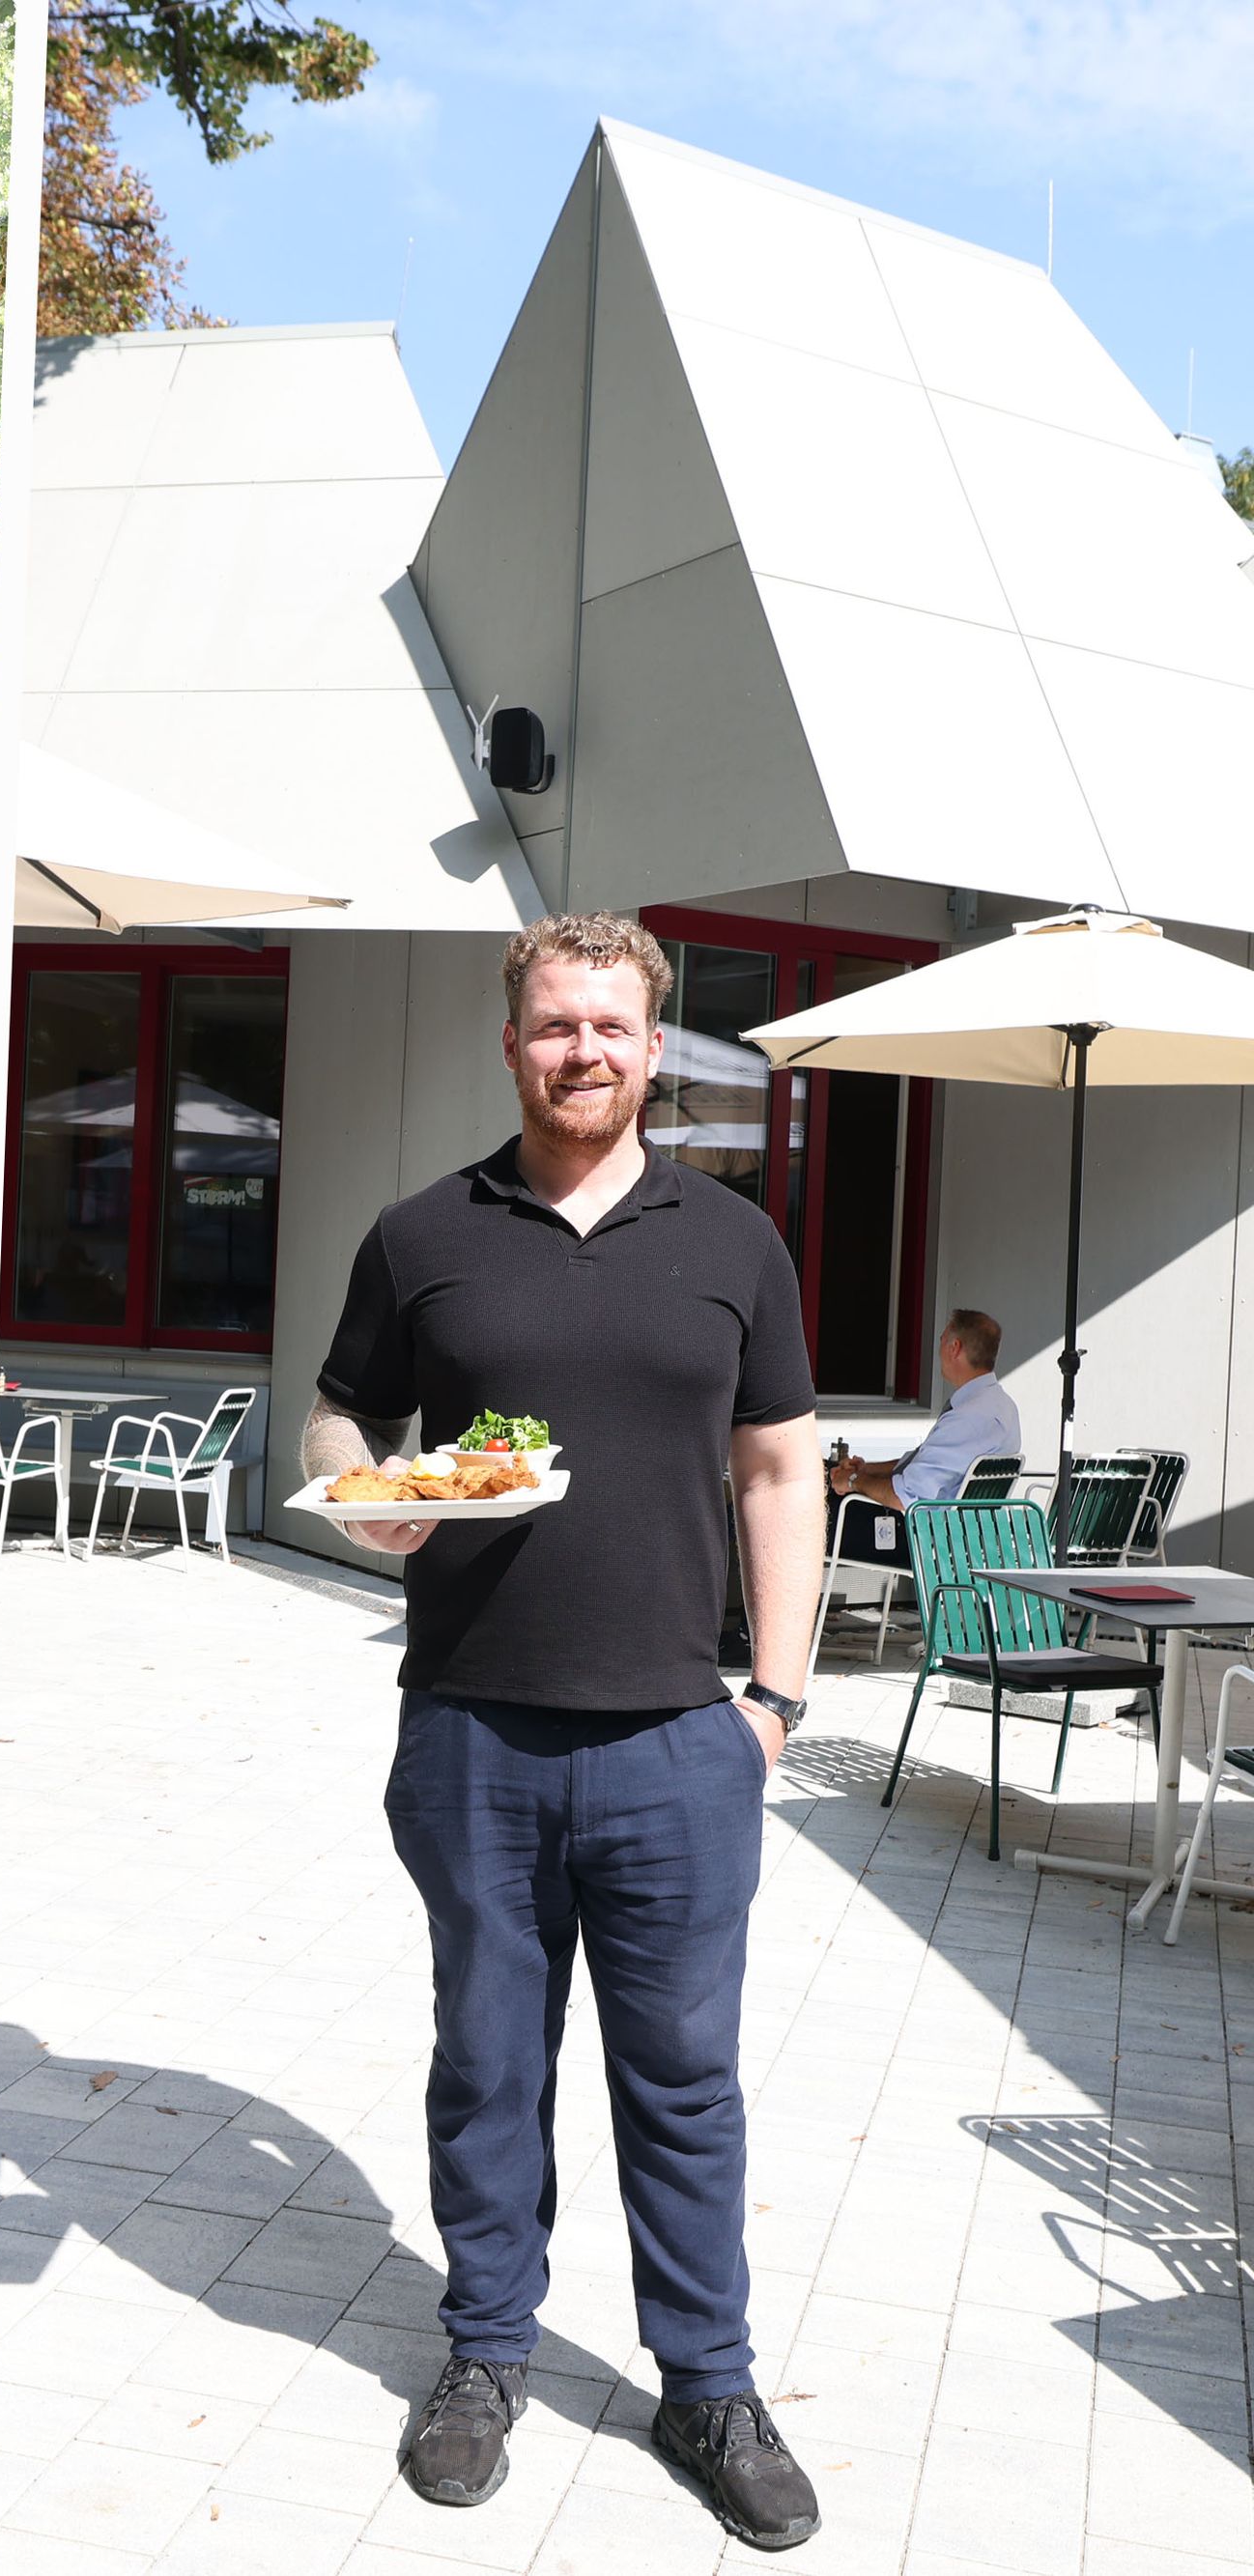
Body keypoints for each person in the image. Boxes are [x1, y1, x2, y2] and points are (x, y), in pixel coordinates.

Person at [305, 913, 826, 2553]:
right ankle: (483, 2355)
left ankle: (711, 2383)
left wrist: (777, 1700)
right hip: (472, 1731)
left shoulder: (734, 1243)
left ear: (655, 1047)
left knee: (685, 2082)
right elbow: (340, 1407)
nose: (583, 1050)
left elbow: (779, 1470)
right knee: (489, 2064)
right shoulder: (422, 1233)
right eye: (554, 1025)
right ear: (511, 1040)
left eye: (612, 1025)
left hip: (682, 1737)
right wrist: (364, 1500)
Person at [824, 1312, 1020, 1572]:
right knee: (823, 1473)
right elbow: (922, 1461)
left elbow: (905, 1497)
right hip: (962, 1536)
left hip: (924, 1541)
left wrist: (851, 1481)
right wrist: (866, 1469)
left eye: (941, 1340)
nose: (938, 1349)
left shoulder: (968, 1418)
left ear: (955, 1347)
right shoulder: (1002, 1406)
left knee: (812, 1504)